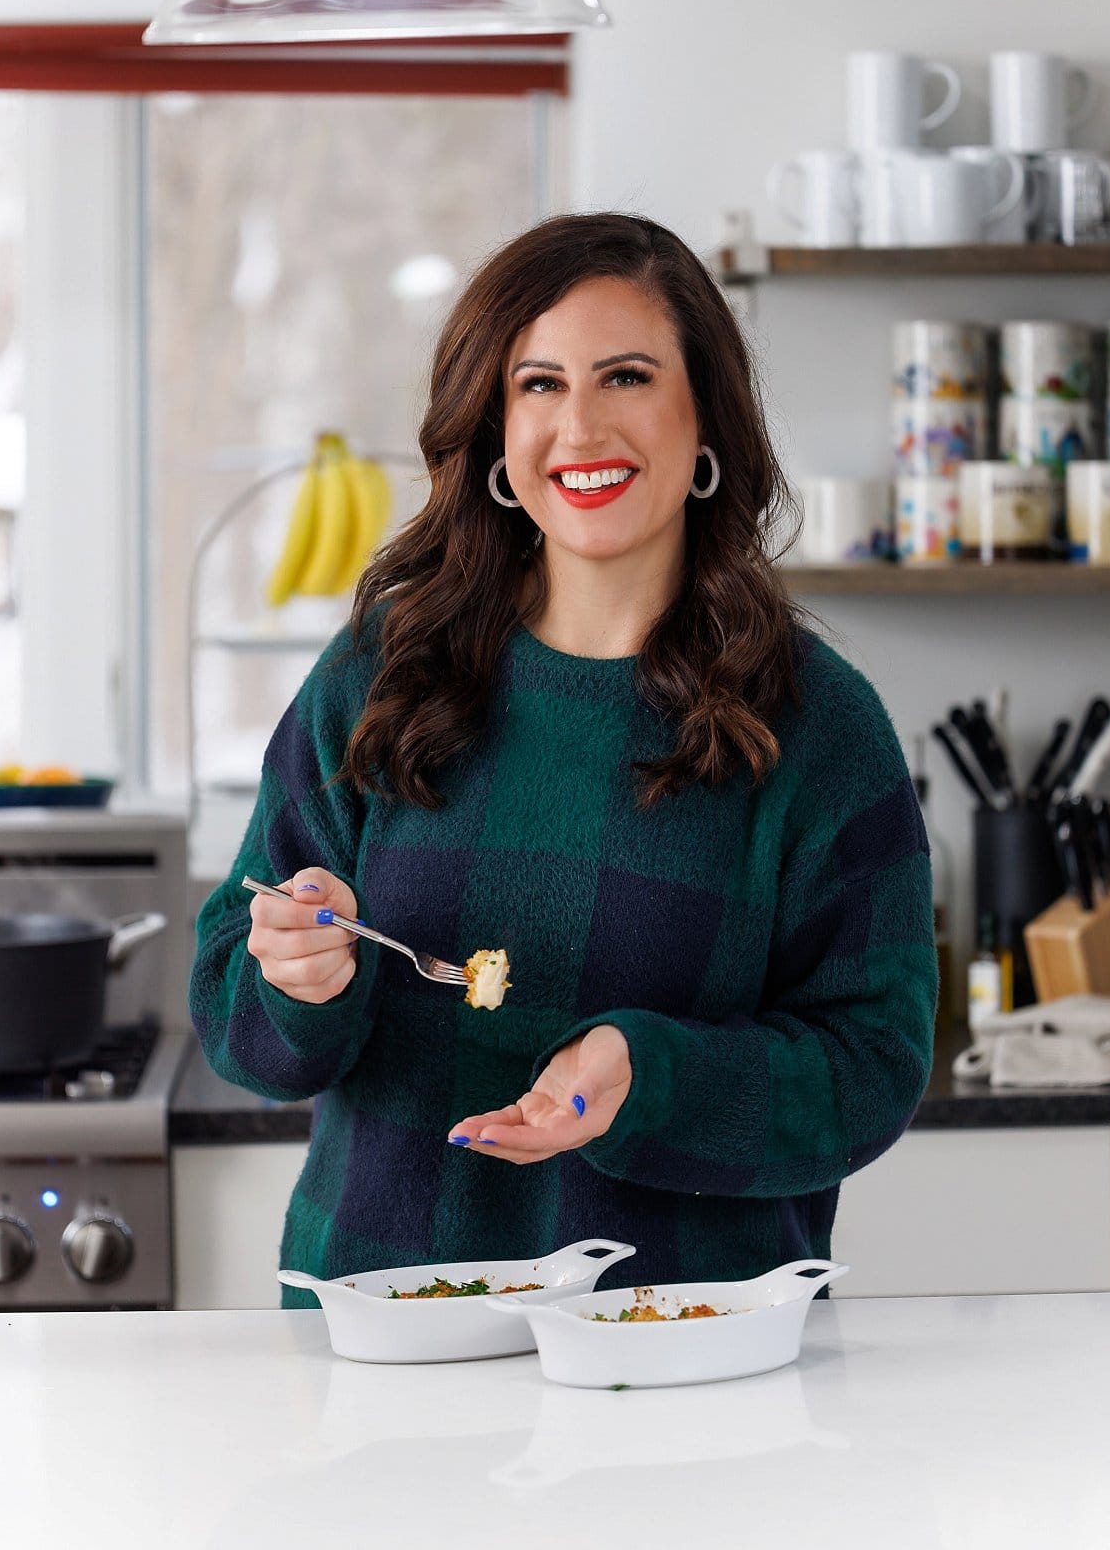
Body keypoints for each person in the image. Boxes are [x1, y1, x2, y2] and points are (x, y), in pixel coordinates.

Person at [191, 211, 937, 1304]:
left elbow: (871, 1066)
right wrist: (297, 980)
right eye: (538, 384)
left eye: (626, 376)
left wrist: (651, 1076)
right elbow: (236, 1016)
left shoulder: (818, 723)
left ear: (703, 418)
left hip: (694, 1343)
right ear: (495, 432)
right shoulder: (377, 680)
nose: (579, 426)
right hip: (388, 1342)